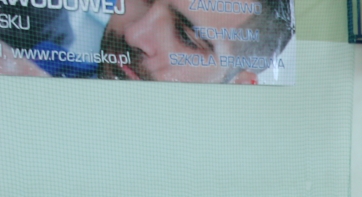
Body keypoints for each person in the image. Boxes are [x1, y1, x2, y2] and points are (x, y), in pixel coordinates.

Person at [0, 0, 293, 82]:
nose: (133, 34)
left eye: (187, 37)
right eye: (142, 0)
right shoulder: (39, 60)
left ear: (240, 84)